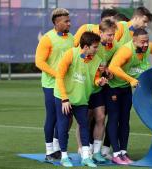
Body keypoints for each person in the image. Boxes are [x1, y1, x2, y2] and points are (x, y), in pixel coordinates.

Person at [107, 28, 152, 165]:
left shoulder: (149, 47)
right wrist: (130, 79)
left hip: (126, 88)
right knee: (114, 119)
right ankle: (115, 154)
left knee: (125, 120)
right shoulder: (126, 50)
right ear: (134, 41)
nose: (145, 45)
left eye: (147, 42)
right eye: (142, 42)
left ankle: (123, 152)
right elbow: (113, 67)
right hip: (113, 88)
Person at [54, 32, 107, 167]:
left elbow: (94, 78)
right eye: (95, 47)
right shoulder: (70, 54)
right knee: (63, 125)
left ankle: (85, 157)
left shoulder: (97, 59)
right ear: (85, 46)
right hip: (64, 98)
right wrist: (65, 99)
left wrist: (99, 81)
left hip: (81, 99)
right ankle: (64, 156)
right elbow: (59, 76)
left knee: (84, 126)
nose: (97, 49)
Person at [74, 19, 119, 162]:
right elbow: (78, 62)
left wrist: (108, 73)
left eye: (113, 35)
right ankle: (82, 148)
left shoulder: (113, 47)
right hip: (84, 88)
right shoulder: (91, 47)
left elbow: (110, 67)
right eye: (109, 35)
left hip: (99, 88)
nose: (112, 38)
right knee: (84, 120)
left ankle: (97, 152)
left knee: (100, 117)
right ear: (100, 33)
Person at [35, 7, 73, 162]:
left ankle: (58, 148)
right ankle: (49, 151)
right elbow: (39, 62)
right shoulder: (47, 38)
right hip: (51, 85)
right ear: (57, 23)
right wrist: (57, 74)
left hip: (68, 85)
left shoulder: (71, 37)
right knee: (52, 117)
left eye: (69, 20)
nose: (69, 23)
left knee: (65, 118)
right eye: (66, 21)